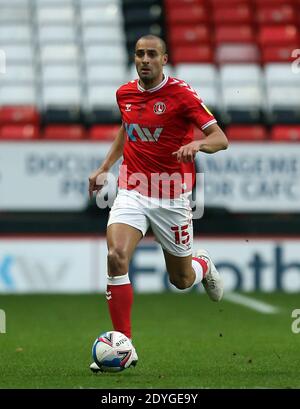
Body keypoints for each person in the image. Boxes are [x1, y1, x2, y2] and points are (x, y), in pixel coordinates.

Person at [88, 35, 228, 372]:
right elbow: (127, 128)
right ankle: (124, 345)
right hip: (133, 189)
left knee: (180, 280)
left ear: (164, 59)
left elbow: (220, 139)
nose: (145, 59)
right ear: (134, 58)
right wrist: (105, 167)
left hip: (172, 197)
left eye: (152, 54)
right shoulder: (125, 94)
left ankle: (203, 265)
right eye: (139, 54)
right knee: (115, 256)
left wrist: (197, 146)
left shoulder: (181, 94)